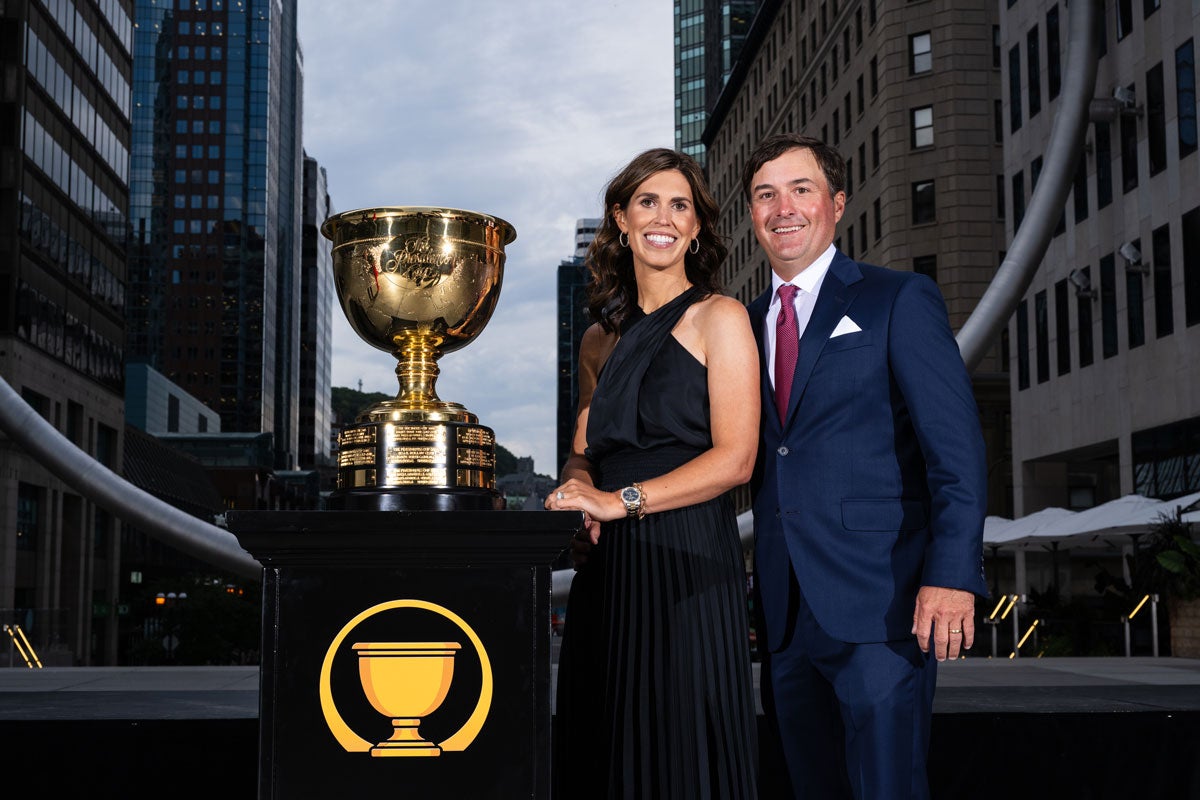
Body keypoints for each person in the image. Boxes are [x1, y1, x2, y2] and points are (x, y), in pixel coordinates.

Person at [743, 133, 988, 798]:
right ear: (752, 213)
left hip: (883, 604)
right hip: (786, 610)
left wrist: (952, 575)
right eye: (766, 194)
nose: (783, 207)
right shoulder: (742, 322)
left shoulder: (897, 299)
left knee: (886, 788)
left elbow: (956, 452)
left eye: (801, 190)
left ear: (837, 204)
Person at [545, 147, 760, 799]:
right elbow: (586, 446)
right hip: (609, 577)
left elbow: (737, 457)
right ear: (620, 219)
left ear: (696, 228)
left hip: (689, 565)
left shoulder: (720, 318)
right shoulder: (597, 339)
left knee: (682, 755)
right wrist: (580, 484)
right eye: (647, 201)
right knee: (603, 754)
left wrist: (623, 500)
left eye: (680, 205)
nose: (663, 217)